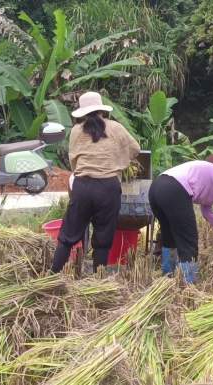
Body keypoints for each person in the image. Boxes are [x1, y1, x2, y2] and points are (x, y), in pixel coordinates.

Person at [51, 91, 140, 273]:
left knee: (68, 234)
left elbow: (74, 161)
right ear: (101, 110)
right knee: (103, 237)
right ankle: (98, 280)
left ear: (83, 112)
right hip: (108, 187)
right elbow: (136, 149)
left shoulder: (76, 131)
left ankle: (52, 275)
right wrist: (117, 160)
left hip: (83, 186)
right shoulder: (115, 127)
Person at [148, 154, 213, 283]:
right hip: (175, 189)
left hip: (156, 187)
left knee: (169, 237)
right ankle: (188, 285)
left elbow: (207, 211)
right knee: (189, 241)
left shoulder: (212, 175)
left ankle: (167, 279)